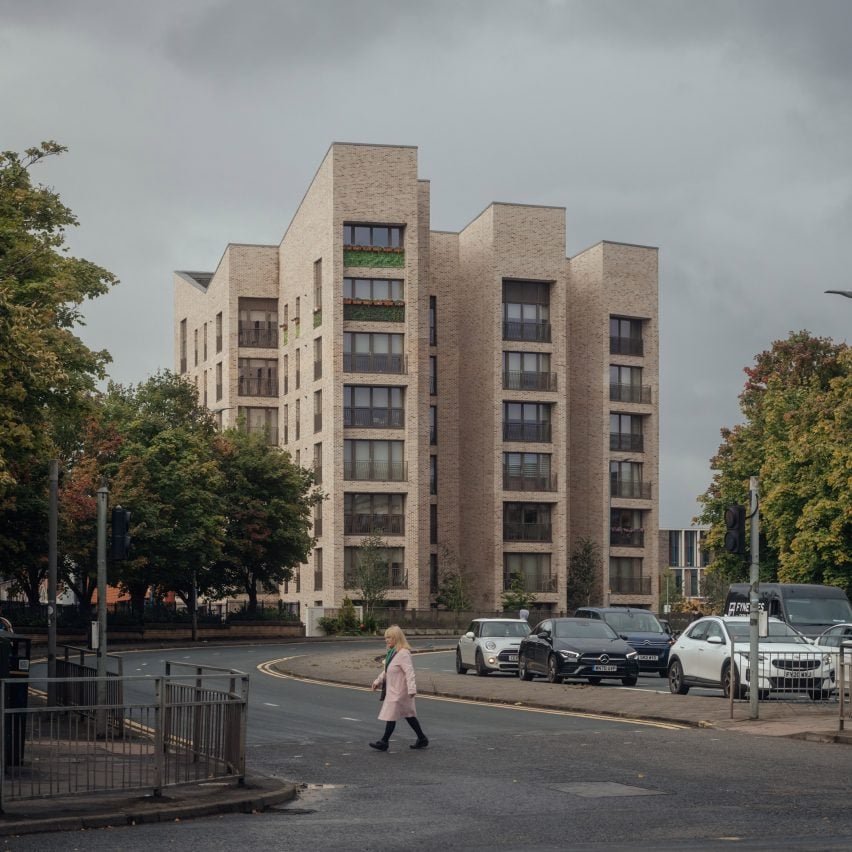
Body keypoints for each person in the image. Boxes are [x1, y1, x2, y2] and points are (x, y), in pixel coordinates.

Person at [369, 625, 429, 751]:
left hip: (401, 692)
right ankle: (422, 738)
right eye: (386, 637)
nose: (386, 640)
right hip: (393, 690)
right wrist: (377, 681)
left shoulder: (403, 653)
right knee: (409, 715)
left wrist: (412, 689)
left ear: (396, 638)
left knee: (391, 715)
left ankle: (384, 742)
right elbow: (387, 671)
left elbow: (410, 672)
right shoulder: (392, 653)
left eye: (389, 637)